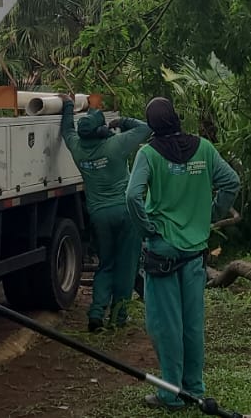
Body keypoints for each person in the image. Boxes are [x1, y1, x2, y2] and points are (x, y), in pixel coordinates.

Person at [125, 97, 240, 412]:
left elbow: (133, 196)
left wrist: (148, 230)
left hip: (162, 250)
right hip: (194, 253)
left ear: (152, 125)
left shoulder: (148, 154)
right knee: (192, 323)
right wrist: (210, 214)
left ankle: (170, 394)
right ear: (176, 118)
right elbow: (231, 181)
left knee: (165, 326)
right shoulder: (203, 148)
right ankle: (195, 389)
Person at [59, 97, 152, 332]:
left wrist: (68, 106)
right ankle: (119, 317)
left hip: (99, 215)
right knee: (126, 265)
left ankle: (97, 313)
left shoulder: (77, 148)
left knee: (106, 264)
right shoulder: (116, 145)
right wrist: (122, 120)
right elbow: (146, 128)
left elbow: (66, 129)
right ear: (101, 130)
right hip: (126, 212)